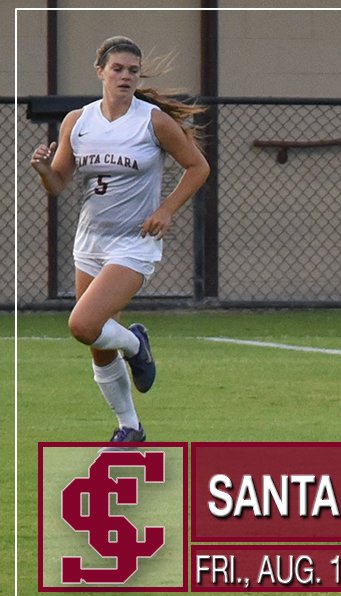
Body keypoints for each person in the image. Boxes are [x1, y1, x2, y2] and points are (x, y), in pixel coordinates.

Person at [29, 36, 209, 443]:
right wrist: (43, 170)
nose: (126, 76)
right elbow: (57, 184)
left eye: (132, 70)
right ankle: (130, 427)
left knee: (83, 324)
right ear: (100, 73)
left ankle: (136, 343)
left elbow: (197, 167)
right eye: (118, 69)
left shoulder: (153, 121)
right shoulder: (78, 121)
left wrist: (165, 209)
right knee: (96, 344)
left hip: (134, 242)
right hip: (90, 241)